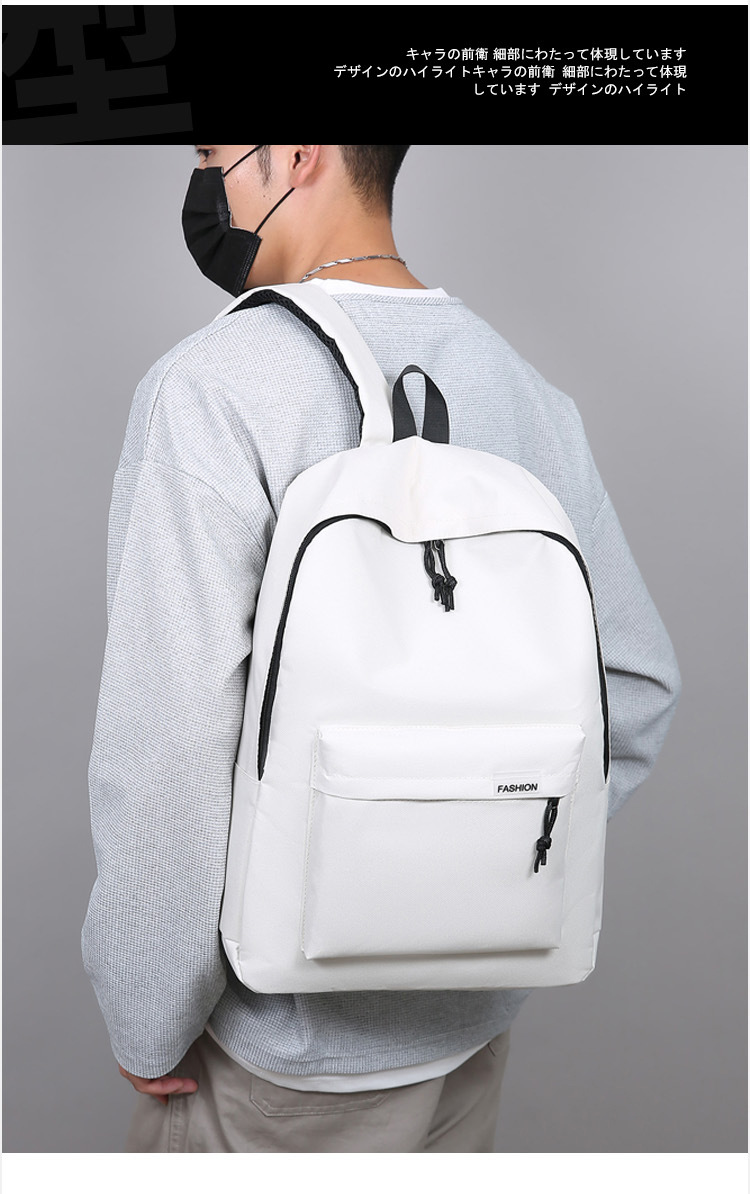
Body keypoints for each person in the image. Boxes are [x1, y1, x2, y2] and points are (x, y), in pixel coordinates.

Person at [81, 144, 682, 1153]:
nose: (202, 181)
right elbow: (636, 683)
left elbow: (171, 748)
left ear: (296, 152)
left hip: (282, 1058)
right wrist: (478, 868)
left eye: (213, 154)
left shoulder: (215, 385)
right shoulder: (521, 390)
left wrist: (145, 1009)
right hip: (470, 1028)